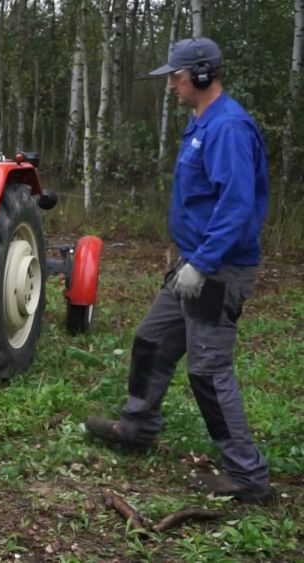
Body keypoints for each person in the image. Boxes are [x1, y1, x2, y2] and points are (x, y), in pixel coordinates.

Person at [85, 37, 271, 504]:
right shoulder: (201, 124)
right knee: (152, 340)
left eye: (177, 76)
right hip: (194, 262)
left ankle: (247, 476)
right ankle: (136, 426)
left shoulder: (228, 127)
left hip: (217, 269)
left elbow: (237, 204)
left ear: (203, 75)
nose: (171, 84)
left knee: (208, 372)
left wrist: (204, 263)